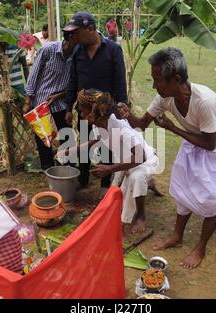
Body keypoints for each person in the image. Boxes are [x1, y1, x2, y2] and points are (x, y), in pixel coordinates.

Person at [117, 48, 216, 268]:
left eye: (157, 80)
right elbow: (141, 124)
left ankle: (200, 248)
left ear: (176, 79)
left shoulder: (203, 101)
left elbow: (210, 143)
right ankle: (177, 236)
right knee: (183, 191)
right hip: (196, 143)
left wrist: (172, 128)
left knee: (211, 200)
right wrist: (128, 115)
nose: (154, 86)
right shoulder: (164, 98)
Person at [58, 89, 160, 233]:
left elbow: (140, 156)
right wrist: (68, 151)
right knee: (114, 196)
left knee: (136, 178)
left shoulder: (121, 127)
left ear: (95, 112)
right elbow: (94, 140)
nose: (80, 113)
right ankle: (150, 183)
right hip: (126, 160)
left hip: (144, 159)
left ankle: (140, 216)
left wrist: (110, 169)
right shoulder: (99, 123)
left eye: (83, 110)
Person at [64, 11, 128, 192]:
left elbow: (120, 80)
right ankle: (83, 178)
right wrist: (69, 107)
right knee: (85, 140)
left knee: (107, 144)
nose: (74, 36)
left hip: (105, 111)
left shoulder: (113, 50)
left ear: (90, 28)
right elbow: (72, 80)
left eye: (77, 32)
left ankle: (106, 184)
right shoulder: (77, 51)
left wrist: (121, 106)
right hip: (84, 109)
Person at [24, 30, 79, 170]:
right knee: (43, 137)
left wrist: (60, 95)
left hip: (61, 101)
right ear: (68, 39)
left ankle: (69, 166)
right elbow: (33, 75)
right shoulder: (48, 49)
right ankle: (48, 168)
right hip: (42, 101)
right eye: (76, 41)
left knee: (67, 134)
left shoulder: (77, 54)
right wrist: (28, 101)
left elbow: (75, 81)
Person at [0, 23, 29, 97]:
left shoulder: (17, 46)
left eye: (1, 34)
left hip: (18, 87)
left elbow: (25, 66)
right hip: (2, 90)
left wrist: (29, 86)